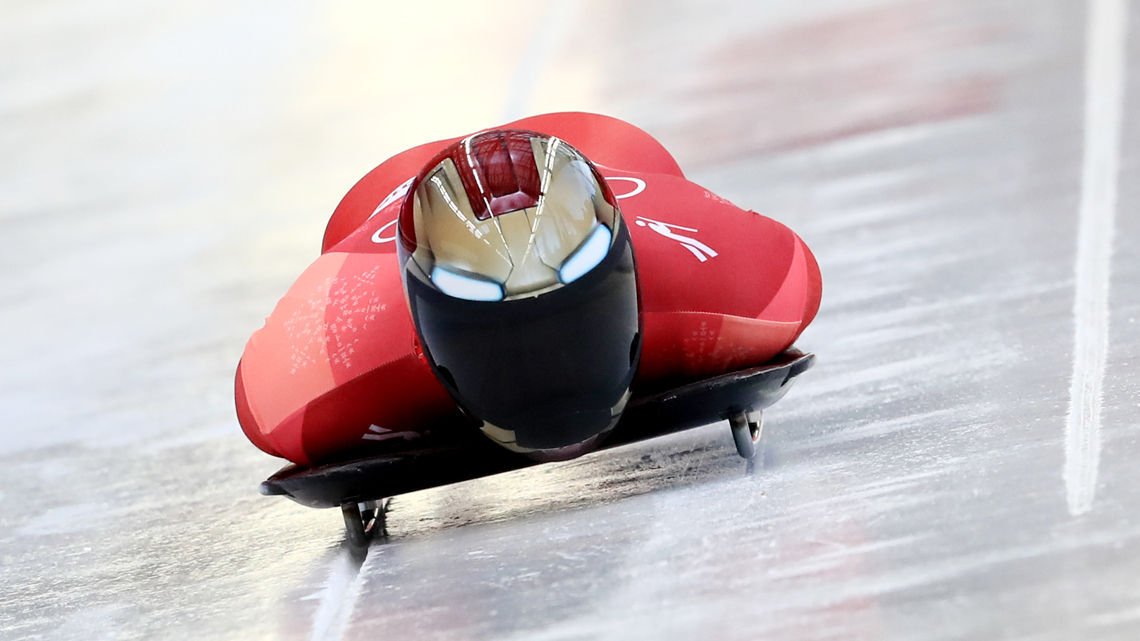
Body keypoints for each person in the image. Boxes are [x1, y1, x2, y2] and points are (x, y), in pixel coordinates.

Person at [235, 112, 821, 466]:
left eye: (575, 322)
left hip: (613, 154)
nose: (548, 367)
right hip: (378, 206)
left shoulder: (741, 284)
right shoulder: (756, 302)